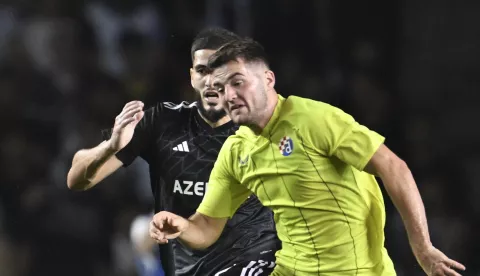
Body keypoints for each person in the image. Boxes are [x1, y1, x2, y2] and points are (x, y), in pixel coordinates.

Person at [149, 38, 467, 276]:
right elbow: (206, 226)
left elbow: (393, 167)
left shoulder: (312, 120)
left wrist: (422, 248)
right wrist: (182, 226)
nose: (229, 95)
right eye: (220, 88)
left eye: (237, 82)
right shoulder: (236, 151)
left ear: (268, 80)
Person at [67, 28, 280, 276]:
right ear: (192, 77)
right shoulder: (163, 121)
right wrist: (111, 146)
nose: (211, 80)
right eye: (202, 70)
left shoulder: (264, 130)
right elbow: (77, 179)